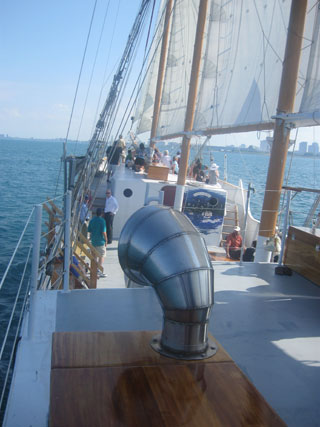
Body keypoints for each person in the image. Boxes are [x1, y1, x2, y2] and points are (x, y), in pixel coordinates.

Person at [88, 207, 107, 277]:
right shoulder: (102, 221)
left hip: (93, 241)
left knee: (94, 256)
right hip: (101, 242)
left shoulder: (92, 220)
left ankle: (94, 270)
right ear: (101, 214)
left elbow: (89, 230)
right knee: (102, 256)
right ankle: (98, 270)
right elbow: (104, 232)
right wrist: (106, 240)